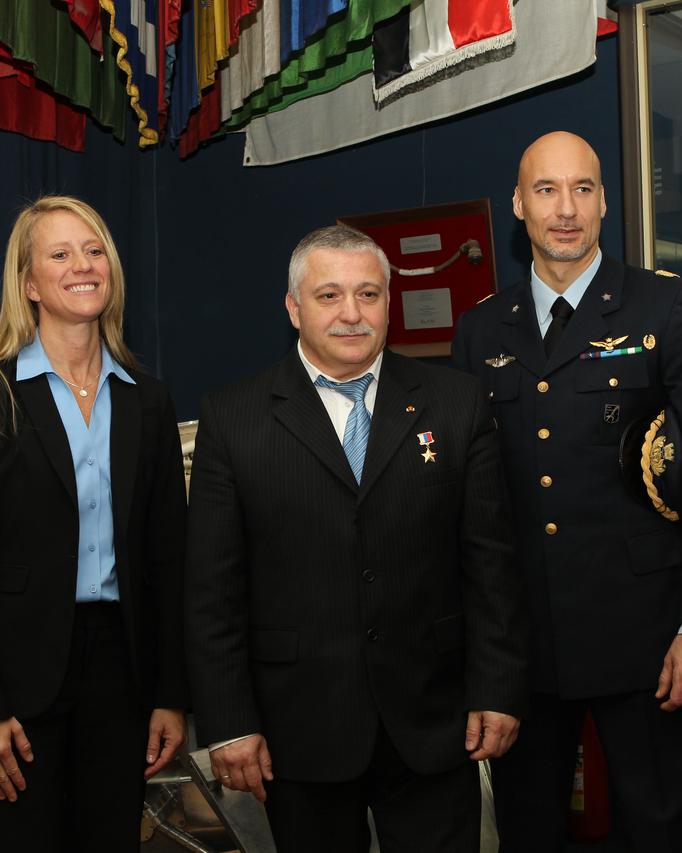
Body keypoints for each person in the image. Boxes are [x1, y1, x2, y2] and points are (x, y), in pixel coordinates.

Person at [184, 224, 529, 853]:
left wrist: (498, 687)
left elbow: (491, 564)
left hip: (433, 721)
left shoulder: (456, 404)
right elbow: (212, 589)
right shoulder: (234, 418)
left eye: (369, 295)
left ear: (389, 303)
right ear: (293, 308)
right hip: (298, 731)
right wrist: (228, 722)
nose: (352, 314)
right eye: (329, 296)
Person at [451, 131, 682, 852]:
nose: (566, 209)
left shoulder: (667, 309)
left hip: (650, 642)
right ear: (518, 204)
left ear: (605, 202)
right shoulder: (481, 329)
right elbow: (473, 503)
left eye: (582, 189)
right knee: (529, 834)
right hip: (527, 651)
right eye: (547, 190)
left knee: (665, 831)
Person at [0, 196, 188, 852]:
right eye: (60, 253)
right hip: (16, 679)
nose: (82, 265)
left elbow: (169, 559)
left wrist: (171, 693)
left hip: (122, 671)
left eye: (94, 250)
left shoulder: (148, 399)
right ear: (29, 283)